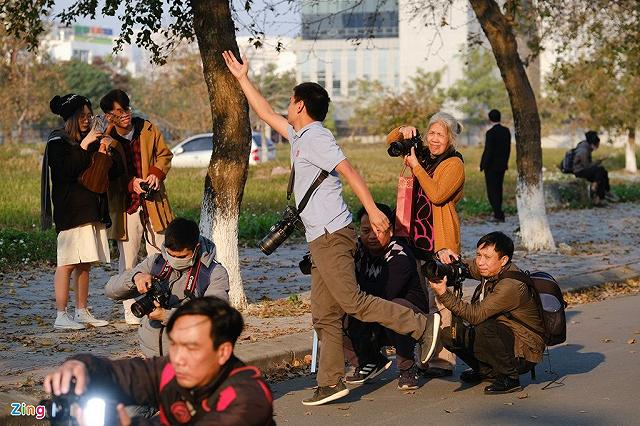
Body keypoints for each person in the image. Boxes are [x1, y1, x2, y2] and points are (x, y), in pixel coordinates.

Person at [223, 50, 441, 406]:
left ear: (300, 105)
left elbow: (349, 170)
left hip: (333, 235)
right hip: (319, 238)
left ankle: (421, 325)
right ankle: (330, 383)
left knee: (352, 302)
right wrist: (242, 78)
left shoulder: (318, 138)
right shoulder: (299, 136)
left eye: (291, 101)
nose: (286, 106)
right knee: (323, 315)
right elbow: (263, 112)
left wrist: (372, 211)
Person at [43, 296, 274, 425]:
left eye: (191, 347)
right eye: (174, 344)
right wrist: (81, 366)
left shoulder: (249, 396)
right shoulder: (170, 369)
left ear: (222, 352)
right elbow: (123, 374)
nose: (178, 358)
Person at [391, 112, 465, 378]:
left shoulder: (454, 164)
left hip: (440, 241)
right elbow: (391, 141)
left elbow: (437, 194)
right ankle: (425, 354)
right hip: (414, 239)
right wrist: (404, 130)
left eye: (440, 135)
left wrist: (416, 167)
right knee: (422, 301)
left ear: (451, 139)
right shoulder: (420, 154)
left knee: (442, 302)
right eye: (431, 133)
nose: (434, 140)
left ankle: (443, 360)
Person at [42, 94, 122, 330]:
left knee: (85, 263)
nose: (88, 120)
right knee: (66, 263)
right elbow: (64, 172)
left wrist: (108, 147)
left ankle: (81, 310)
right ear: (72, 118)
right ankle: (60, 314)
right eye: (83, 116)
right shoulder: (57, 142)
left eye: (90, 116)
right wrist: (86, 144)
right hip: (70, 211)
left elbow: (113, 172)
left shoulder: (95, 140)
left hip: (92, 209)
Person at [430, 232, 545, 394]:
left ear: (503, 260)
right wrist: (443, 258)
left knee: (484, 326)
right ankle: (487, 372)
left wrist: (443, 293)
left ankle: (510, 377)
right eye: (478, 255)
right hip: (504, 336)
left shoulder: (511, 285)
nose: (480, 262)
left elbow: (475, 315)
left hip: (525, 351)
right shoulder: (489, 268)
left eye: (487, 257)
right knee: (450, 335)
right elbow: (464, 268)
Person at [99, 89, 175, 325]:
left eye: (127, 109)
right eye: (119, 112)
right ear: (109, 115)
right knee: (128, 259)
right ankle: (130, 310)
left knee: (158, 256)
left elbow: (165, 155)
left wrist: (155, 175)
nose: (125, 115)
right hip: (126, 207)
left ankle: (158, 304)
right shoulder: (106, 141)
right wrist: (131, 183)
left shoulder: (148, 129)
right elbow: (107, 176)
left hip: (154, 203)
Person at [105, 217, 229, 357]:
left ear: (197, 249)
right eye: (171, 255)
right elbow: (110, 290)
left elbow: (214, 318)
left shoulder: (214, 273)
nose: (175, 260)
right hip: (152, 356)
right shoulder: (157, 262)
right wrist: (135, 277)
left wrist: (166, 315)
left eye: (182, 257)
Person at [343, 204, 429, 391]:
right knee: (334, 309)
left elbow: (385, 293)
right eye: (366, 231)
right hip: (370, 308)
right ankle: (368, 360)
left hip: (409, 315)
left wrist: (355, 294)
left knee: (394, 308)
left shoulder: (400, 253)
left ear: (390, 229)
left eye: (378, 230)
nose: (372, 236)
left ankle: (407, 367)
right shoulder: (357, 249)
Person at [480, 109, 511, 222]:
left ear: (490, 118)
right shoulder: (506, 131)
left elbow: (488, 151)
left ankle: (497, 214)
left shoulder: (490, 133)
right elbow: (508, 149)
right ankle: (499, 213)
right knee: (499, 189)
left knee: (492, 191)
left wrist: (483, 165)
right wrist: (505, 162)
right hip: (502, 165)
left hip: (491, 167)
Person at [573, 130, 618, 206]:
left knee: (602, 174)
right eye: (598, 144)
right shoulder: (583, 151)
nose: (598, 146)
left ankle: (602, 197)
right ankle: (595, 189)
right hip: (579, 171)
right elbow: (587, 166)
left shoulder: (586, 146)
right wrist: (599, 160)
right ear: (593, 144)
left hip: (583, 169)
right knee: (600, 171)